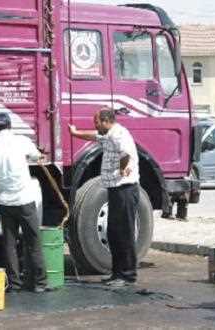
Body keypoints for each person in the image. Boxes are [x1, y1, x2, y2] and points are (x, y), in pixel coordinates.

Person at [68, 107, 140, 287]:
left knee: (125, 233)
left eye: (97, 122)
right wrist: (75, 133)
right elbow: (94, 136)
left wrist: (123, 168)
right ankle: (116, 273)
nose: (96, 126)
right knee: (114, 232)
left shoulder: (119, 134)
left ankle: (128, 275)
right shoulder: (107, 134)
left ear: (107, 121)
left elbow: (125, 154)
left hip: (125, 189)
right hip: (115, 189)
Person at [0, 112, 48, 293]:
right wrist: (39, 156)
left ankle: (14, 284)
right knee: (33, 241)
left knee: (9, 244)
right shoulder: (22, 141)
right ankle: (39, 283)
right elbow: (36, 156)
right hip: (25, 200)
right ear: (10, 125)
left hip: (6, 203)